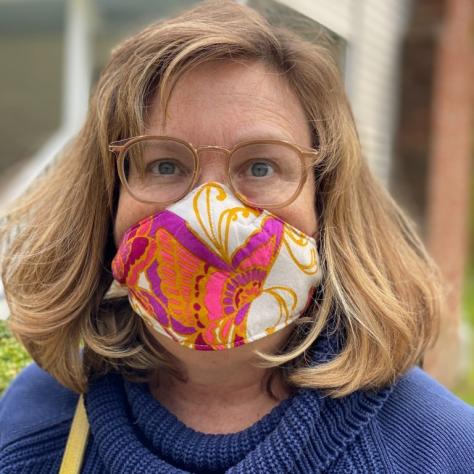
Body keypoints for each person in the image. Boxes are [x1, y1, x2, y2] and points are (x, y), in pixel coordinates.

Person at [0, 1, 473, 473]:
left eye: (261, 166)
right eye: (164, 164)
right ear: (108, 197)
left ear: (326, 200)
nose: (209, 213)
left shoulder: (440, 447)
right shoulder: (36, 426)